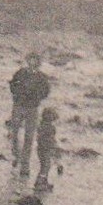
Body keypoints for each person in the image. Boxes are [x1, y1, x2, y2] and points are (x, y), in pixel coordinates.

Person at [7, 51, 51, 181]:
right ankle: (16, 155)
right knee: (14, 132)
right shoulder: (20, 73)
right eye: (31, 59)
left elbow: (46, 91)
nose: (33, 62)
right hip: (18, 106)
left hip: (32, 108)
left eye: (35, 60)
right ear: (28, 60)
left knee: (29, 136)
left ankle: (25, 165)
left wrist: (36, 98)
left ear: (38, 63)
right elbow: (12, 85)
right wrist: (17, 96)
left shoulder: (42, 77)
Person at [32, 107, 62, 194]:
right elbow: (50, 138)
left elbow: (42, 137)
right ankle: (40, 182)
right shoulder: (50, 127)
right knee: (45, 166)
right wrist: (53, 146)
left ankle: (43, 182)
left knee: (45, 165)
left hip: (42, 148)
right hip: (45, 149)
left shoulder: (42, 126)